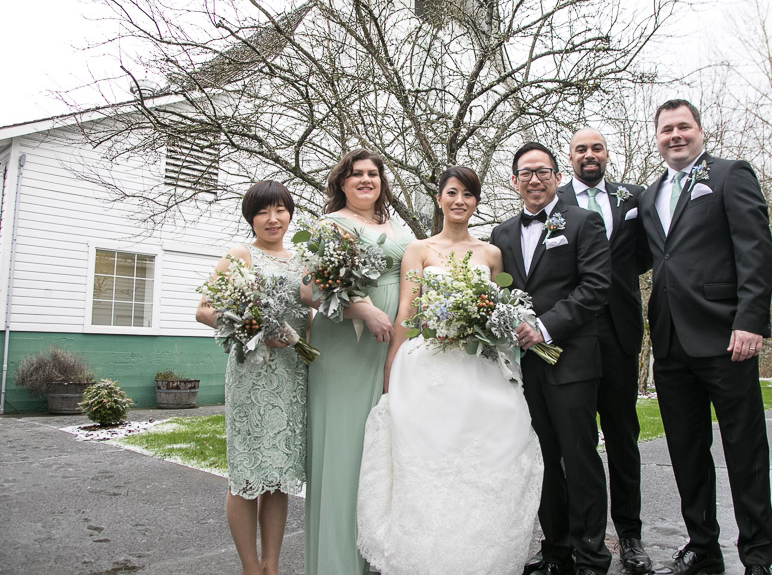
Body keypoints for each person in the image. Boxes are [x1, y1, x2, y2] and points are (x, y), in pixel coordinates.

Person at [356, 165, 543, 575]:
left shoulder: (491, 253)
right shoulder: (418, 251)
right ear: (439, 197)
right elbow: (407, 312)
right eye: (453, 193)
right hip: (431, 368)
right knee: (431, 463)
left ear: (476, 202)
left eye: (469, 195)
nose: (460, 201)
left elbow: (499, 313)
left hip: (481, 368)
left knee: (484, 462)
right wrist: (391, 370)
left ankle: (480, 558)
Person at [639, 100, 772, 575]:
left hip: (726, 336)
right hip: (671, 342)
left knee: (744, 449)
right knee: (686, 451)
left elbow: (755, 249)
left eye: (683, 127)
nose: (675, 135)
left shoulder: (729, 174)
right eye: (666, 129)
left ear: (700, 131)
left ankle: (757, 555)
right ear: (655, 137)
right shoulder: (649, 194)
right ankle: (703, 546)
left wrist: (751, 320)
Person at [490, 142, 612, 575]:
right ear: (514, 181)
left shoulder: (584, 222)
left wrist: (544, 327)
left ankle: (592, 554)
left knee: (579, 457)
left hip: (572, 361)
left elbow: (596, 287)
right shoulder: (502, 234)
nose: (535, 180)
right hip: (523, 368)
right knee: (541, 459)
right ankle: (556, 549)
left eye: (543, 172)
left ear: (557, 177)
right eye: (525, 173)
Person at [301, 149, 414, 575]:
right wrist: (360, 308)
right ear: (342, 183)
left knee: (379, 453)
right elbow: (309, 290)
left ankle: (375, 560)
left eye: (373, 173)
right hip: (345, 349)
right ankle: (337, 563)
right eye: (356, 174)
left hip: (390, 346)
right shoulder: (331, 225)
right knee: (346, 450)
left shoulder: (393, 227)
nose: (366, 180)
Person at [195, 180, 308, 575]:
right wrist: (251, 324)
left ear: (290, 214)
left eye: (280, 210)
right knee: (246, 473)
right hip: (251, 376)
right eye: (263, 212)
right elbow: (205, 309)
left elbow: (307, 318)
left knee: (277, 475)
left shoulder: (300, 261)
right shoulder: (240, 254)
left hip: (292, 376)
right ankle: (249, 567)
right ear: (251, 218)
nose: (273, 219)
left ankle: (271, 565)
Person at [557, 127, 653, 574]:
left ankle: (630, 536)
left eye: (597, 148)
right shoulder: (553, 202)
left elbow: (651, 252)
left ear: (607, 155)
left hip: (619, 330)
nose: (589, 155)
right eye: (581, 149)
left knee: (621, 435)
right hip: (572, 335)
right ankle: (581, 538)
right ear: (570, 157)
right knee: (574, 441)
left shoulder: (635, 198)